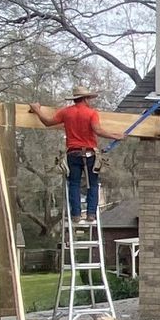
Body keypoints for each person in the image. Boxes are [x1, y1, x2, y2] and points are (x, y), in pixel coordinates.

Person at [33, 87, 126, 223]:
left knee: (74, 184)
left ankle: (76, 215)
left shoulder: (66, 112)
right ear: (85, 99)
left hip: (73, 154)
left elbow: (47, 122)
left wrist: (37, 110)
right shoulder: (91, 113)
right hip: (89, 154)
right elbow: (98, 130)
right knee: (92, 184)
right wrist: (117, 136)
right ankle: (91, 214)